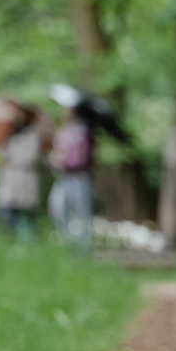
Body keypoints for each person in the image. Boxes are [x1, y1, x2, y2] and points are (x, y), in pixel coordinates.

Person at [0, 105, 45, 240]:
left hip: (25, 176)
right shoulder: (9, 134)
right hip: (10, 178)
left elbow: (31, 156)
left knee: (26, 212)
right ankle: (10, 240)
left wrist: (12, 157)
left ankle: (27, 241)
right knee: (7, 210)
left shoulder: (33, 133)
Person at [48, 104, 96, 246]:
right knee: (57, 208)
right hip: (62, 178)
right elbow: (56, 150)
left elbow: (82, 158)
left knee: (82, 214)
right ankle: (68, 241)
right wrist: (54, 159)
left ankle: (83, 247)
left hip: (80, 178)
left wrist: (64, 161)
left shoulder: (85, 132)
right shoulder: (62, 131)